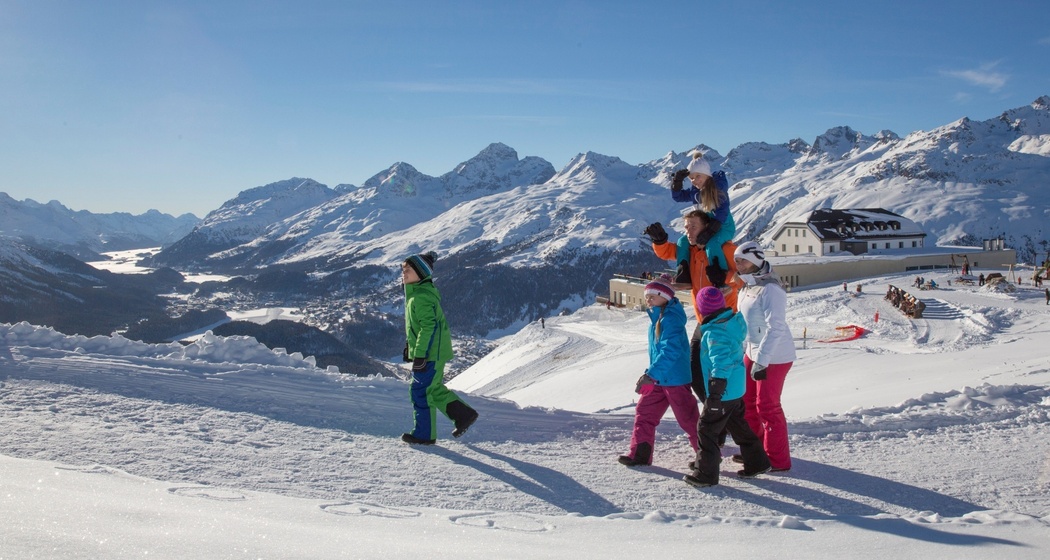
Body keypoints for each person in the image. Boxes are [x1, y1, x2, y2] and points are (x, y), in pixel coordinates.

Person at [645, 210, 742, 401]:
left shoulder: (725, 248)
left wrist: (726, 280)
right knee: (696, 373)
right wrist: (660, 241)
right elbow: (668, 252)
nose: (688, 232)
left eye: (693, 226)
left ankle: (724, 416)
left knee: (721, 372)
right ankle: (714, 414)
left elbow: (744, 276)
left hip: (724, 320)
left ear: (707, 227)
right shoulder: (690, 250)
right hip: (702, 321)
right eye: (686, 227)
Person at [684, 287, 771, 488]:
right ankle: (757, 462)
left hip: (723, 391)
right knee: (737, 425)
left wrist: (715, 392)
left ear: (701, 309)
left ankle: (706, 474)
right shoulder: (731, 323)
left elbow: (721, 363)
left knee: (706, 429)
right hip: (735, 388)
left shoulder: (716, 332)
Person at [618, 275, 700, 466]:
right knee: (644, 412)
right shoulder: (658, 317)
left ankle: (707, 457)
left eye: (654, 294)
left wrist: (651, 375)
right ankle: (640, 454)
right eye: (647, 295)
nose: (649, 298)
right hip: (658, 379)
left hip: (675, 380)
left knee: (688, 420)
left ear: (667, 296)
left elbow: (670, 351)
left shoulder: (671, 320)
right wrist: (652, 375)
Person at [400, 251, 478, 445]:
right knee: (431, 390)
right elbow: (418, 327)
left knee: (420, 391)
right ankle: (463, 415)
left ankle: (424, 434)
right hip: (431, 353)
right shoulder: (417, 295)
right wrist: (410, 348)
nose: (404, 272)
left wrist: (419, 355)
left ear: (421, 273)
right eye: (403, 269)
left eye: (409, 269)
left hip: (429, 355)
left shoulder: (421, 298)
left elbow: (429, 328)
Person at [732, 241, 796, 472]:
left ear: (757, 260)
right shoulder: (748, 286)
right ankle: (756, 452)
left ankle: (777, 460)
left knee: (767, 407)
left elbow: (775, 327)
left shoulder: (771, 288)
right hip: (753, 350)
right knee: (747, 403)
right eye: (736, 260)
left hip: (775, 355)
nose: (738, 264)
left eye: (742, 260)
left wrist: (762, 360)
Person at [668, 153, 736, 288]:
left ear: (707, 175)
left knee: (712, 244)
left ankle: (721, 278)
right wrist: (676, 183)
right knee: (682, 241)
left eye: (698, 176)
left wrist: (710, 231)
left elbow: (722, 212)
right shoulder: (695, 192)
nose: (694, 181)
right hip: (707, 226)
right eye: (691, 178)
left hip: (723, 227)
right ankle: (684, 275)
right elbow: (679, 197)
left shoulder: (717, 189)